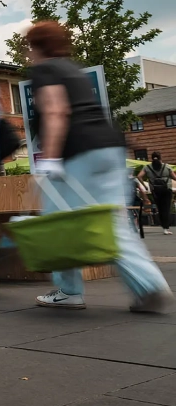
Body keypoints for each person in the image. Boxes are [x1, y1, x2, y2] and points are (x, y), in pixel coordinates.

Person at [24, 21, 172, 312]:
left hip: (78, 153)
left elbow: (55, 110)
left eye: (28, 48)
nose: (27, 54)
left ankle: (69, 291)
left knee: (58, 222)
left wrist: (50, 160)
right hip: (110, 148)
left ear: (36, 46)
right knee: (113, 224)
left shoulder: (44, 70)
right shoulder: (72, 70)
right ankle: (150, 287)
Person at [138, 152, 175, 235]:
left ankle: (163, 225)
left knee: (160, 208)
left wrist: (145, 186)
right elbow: (174, 177)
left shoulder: (147, 167)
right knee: (166, 208)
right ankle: (166, 228)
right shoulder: (167, 166)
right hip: (166, 190)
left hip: (155, 190)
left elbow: (139, 176)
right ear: (160, 158)